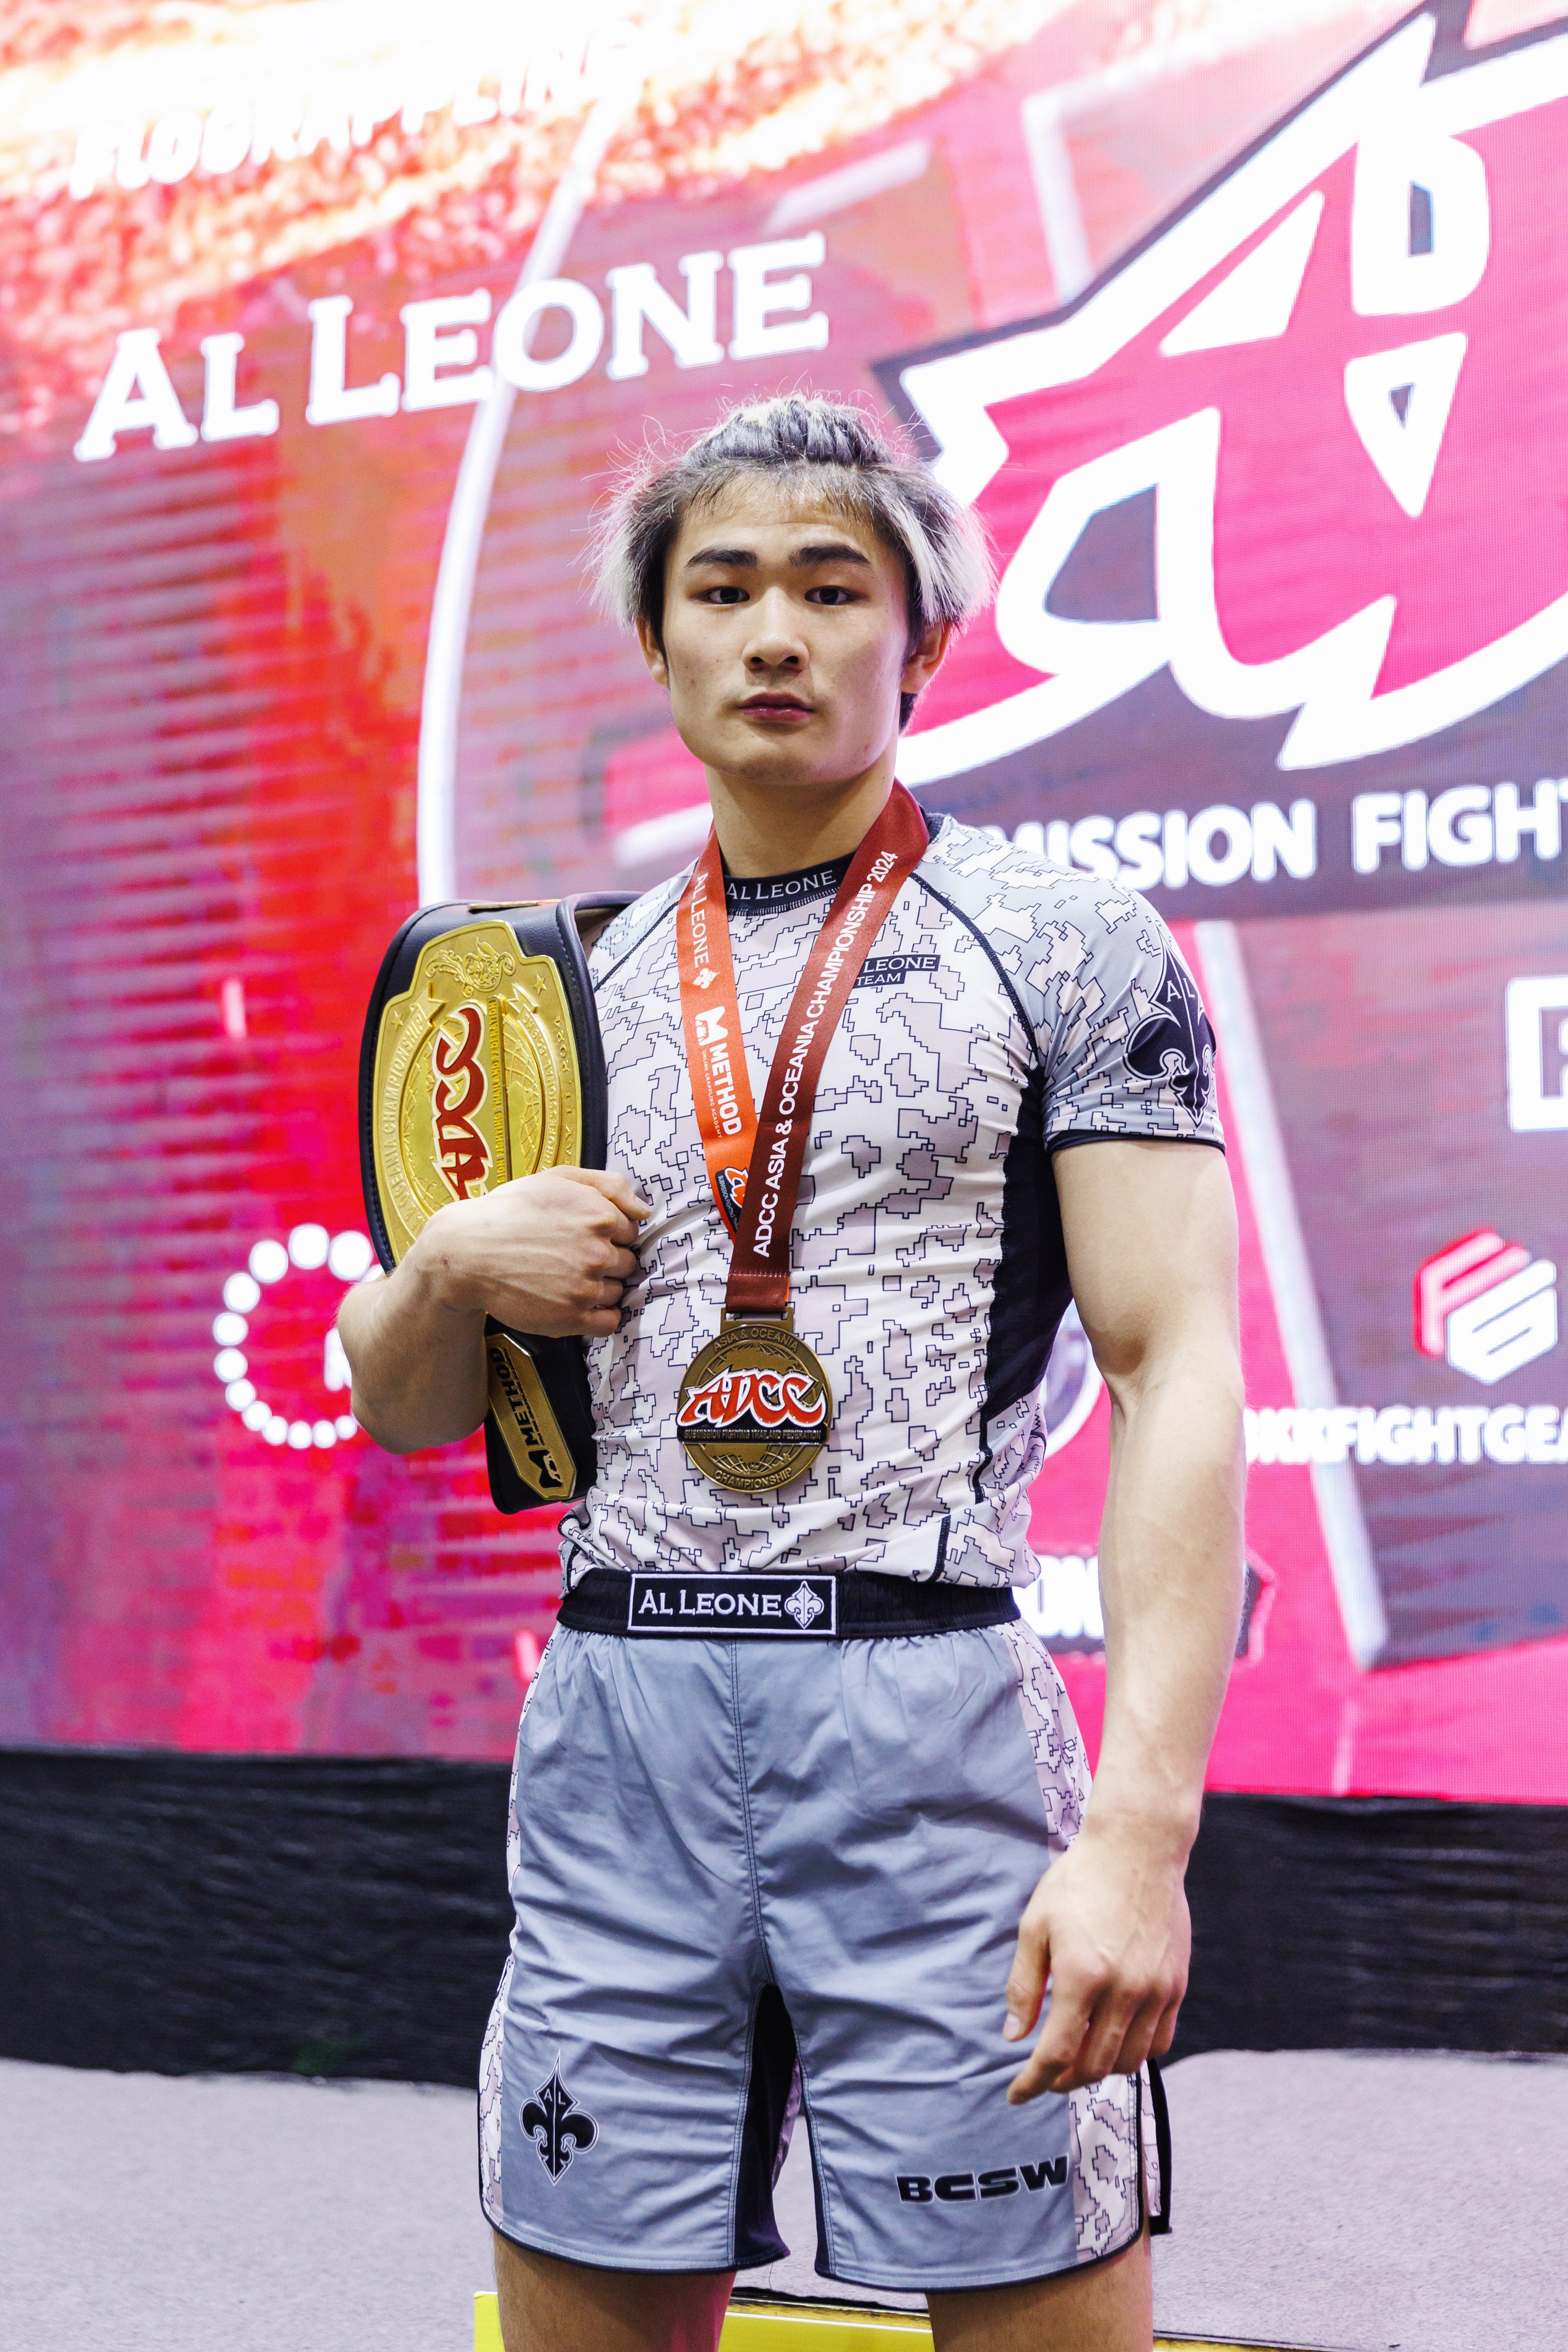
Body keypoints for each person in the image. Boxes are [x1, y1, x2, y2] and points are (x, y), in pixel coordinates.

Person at [339, 395, 1244, 2352]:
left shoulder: (1064, 941)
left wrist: (1139, 1836)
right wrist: (447, 1266)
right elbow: (407, 1404)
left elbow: (1174, 1368)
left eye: (832, 590)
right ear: (652, 637)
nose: (773, 633)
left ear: (924, 642)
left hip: (926, 1721)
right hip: (617, 1727)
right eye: (722, 588)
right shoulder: (543, 983)